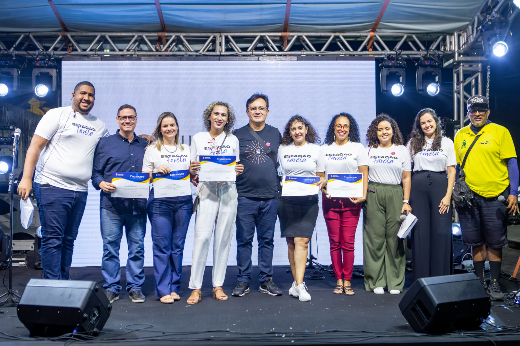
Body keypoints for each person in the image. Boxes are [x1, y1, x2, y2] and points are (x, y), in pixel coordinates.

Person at [17, 81, 108, 280]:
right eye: (82, 93)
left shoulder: (99, 125)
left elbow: (112, 148)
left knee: (68, 240)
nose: (86, 98)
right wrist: (26, 178)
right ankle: (51, 287)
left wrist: (141, 139)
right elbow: (35, 147)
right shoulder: (56, 115)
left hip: (80, 191)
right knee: (53, 240)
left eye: (91, 95)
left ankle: (63, 284)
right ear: (73, 94)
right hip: (52, 186)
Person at [454, 95, 518, 300]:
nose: (477, 113)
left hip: (495, 195)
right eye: (473, 110)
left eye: (482, 110)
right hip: (469, 196)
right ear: (467, 113)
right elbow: (456, 166)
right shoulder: (460, 135)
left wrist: (514, 193)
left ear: (488, 112)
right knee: (475, 242)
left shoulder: (500, 131)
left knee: (495, 242)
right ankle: (480, 283)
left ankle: (496, 284)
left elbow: (512, 164)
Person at [187, 101, 244, 304]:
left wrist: (238, 169)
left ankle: (217, 284)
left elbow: (234, 166)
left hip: (228, 191)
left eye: (224, 115)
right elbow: (193, 170)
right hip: (207, 191)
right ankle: (195, 287)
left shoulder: (233, 139)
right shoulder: (198, 138)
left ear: (228, 119)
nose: (219, 117)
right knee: (202, 238)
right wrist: (193, 169)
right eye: (216, 114)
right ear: (209, 116)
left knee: (223, 239)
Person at [91, 104, 147, 303]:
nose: (127, 121)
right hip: (111, 206)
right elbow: (95, 173)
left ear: (136, 119)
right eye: (123, 117)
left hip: (137, 206)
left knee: (137, 248)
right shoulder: (105, 143)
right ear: (117, 119)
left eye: (131, 117)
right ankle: (112, 287)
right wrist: (101, 183)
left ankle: (135, 287)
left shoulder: (145, 144)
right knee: (110, 248)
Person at [232, 93, 283, 297]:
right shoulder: (237, 135)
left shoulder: (276, 133)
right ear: (247, 112)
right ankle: (243, 280)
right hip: (244, 195)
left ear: (267, 111)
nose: (257, 111)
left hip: (270, 196)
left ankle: (266, 280)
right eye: (253, 108)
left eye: (261, 108)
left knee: (266, 240)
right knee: (244, 240)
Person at [142, 112, 193, 304]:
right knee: (162, 247)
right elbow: (144, 178)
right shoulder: (152, 150)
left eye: (172, 125)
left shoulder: (186, 149)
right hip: (160, 202)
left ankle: (174, 287)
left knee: (177, 247)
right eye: (165, 126)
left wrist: (194, 171)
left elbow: (193, 172)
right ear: (160, 128)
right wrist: (155, 172)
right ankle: (163, 289)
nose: (169, 128)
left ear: (177, 127)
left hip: (183, 201)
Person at [277, 115, 326, 302]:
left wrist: (322, 181)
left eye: (300, 128)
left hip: (308, 201)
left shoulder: (316, 150)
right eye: (293, 129)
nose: (297, 131)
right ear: (289, 133)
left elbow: (320, 176)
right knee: (291, 242)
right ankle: (296, 283)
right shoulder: (282, 149)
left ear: (306, 129)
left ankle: (299, 284)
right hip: (287, 199)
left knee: (303, 240)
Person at [320, 113, 368, 295]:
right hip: (330, 201)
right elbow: (321, 176)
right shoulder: (324, 149)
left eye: (345, 126)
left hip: (352, 202)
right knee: (334, 243)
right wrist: (324, 189)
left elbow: (364, 174)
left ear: (350, 128)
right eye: (339, 125)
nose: (342, 129)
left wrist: (363, 196)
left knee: (348, 242)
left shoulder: (358, 148)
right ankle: (338, 280)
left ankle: (347, 280)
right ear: (333, 127)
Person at [364, 113, 411, 295]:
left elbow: (406, 178)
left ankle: (395, 282)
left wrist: (406, 201)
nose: (384, 132)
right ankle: (376, 281)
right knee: (374, 238)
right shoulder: (369, 150)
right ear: (375, 132)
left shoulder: (402, 150)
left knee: (395, 239)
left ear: (393, 131)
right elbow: (365, 176)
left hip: (395, 193)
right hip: (373, 193)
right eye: (380, 129)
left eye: (387, 129)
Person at [407, 108, 456, 281]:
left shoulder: (447, 142)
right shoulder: (413, 143)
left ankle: (441, 278)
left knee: (441, 231)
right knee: (420, 232)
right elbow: (406, 171)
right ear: (419, 126)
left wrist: (448, 195)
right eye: (423, 123)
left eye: (429, 121)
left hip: (440, 187)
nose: (427, 125)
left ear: (436, 121)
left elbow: (451, 170)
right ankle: (421, 279)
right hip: (418, 188)